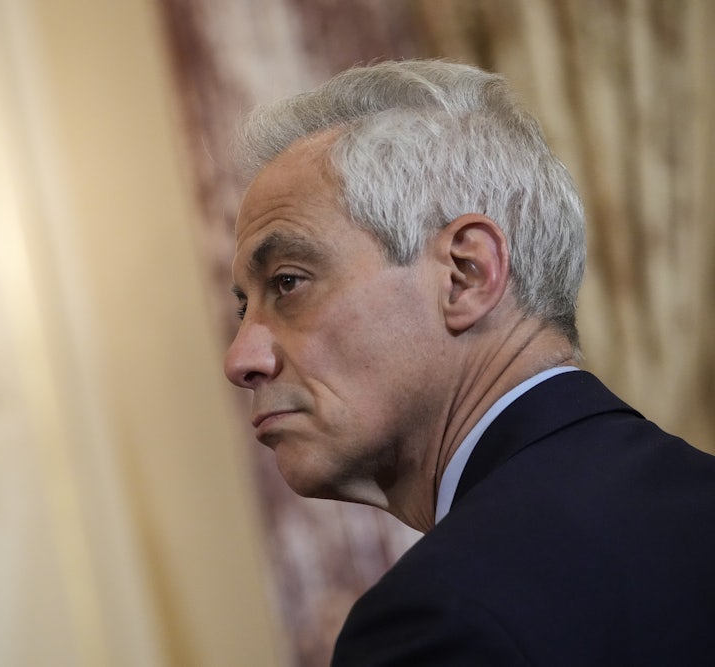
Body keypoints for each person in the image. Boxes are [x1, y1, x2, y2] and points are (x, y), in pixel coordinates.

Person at [224, 59, 715, 665]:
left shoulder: (444, 617)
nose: (242, 358)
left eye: (288, 283)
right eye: (243, 308)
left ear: (466, 275)